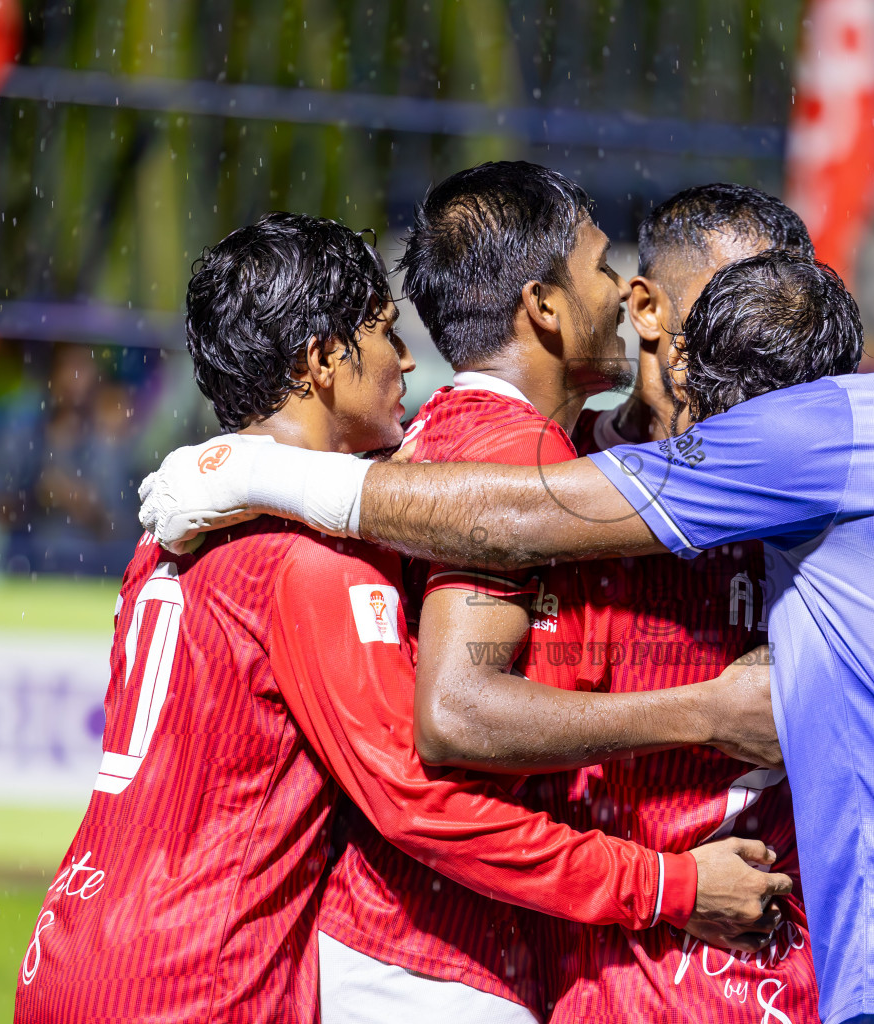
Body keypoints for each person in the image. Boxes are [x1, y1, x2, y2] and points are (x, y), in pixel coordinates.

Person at [139, 130, 874, 1023]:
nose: (746, 353)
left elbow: (529, 516)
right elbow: (463, 686)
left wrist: (271, 473)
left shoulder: (860, 429)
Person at [14, 212, 787, 1024]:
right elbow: (423, 801)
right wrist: (669, 881)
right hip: (196, 978)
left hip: (75, 938)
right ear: (322, 362)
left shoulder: (175, 527)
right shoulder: (311, 562)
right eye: (384, 334)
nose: (409, 360)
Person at [305, 163, 786, 1024]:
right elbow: (458, 714)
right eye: (601, 269)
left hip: (464, 953)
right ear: (549, 307)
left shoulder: (465, 439)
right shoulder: (519, 459)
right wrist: (708, 712)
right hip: (434, 965)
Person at [524, 186, 834, 1023]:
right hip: (554, 960)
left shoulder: (818, 498)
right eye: (734, 305)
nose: (761, 336)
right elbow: (455, 726)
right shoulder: (538, 474)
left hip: (745, 973)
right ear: (648, 308)